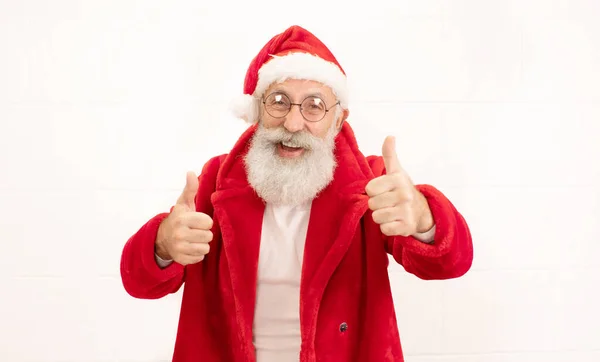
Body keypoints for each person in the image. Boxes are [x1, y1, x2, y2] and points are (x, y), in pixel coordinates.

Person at [120, 25, 473, 362]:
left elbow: (453, 262)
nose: (293, 124)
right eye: (278, 101)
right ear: (257, 110)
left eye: (314, 105)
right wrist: (163, 244)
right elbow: (137, 283)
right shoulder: (214, 182)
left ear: (338, 119)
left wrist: (424, 218)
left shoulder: (372, 184)